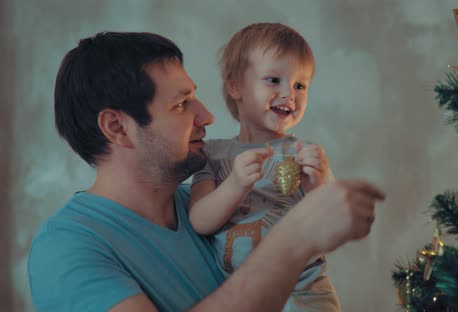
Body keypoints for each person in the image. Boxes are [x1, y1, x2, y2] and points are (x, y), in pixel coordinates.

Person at [27, 31, 385, 312]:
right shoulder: (67, 247)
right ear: (117, 128)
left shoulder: (218, 200)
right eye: (182, 104)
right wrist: (294, 239)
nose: (207, 116)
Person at [188, 23, 338, 311]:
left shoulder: (303, 154)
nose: (289, 94)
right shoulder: (215, 154)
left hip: (303, 291)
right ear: (236, 86)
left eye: (299, 85)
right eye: (274, 80)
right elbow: (199, 220)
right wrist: (234, 185)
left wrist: (317, 185)